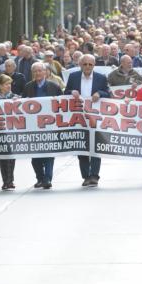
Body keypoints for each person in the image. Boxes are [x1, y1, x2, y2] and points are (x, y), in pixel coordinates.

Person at [64, 54, 111, 187]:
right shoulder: (73, 77)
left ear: (94, 65)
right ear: (80, 65)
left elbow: (107, 93)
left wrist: (99, 94)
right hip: (78, 117)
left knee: (96, 146)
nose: (87, 67)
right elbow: (66, 92)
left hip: (95, 118)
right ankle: (86, 175)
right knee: (82, 147)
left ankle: (95, 175)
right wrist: (71, 92)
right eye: (85, 64)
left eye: (90, 64)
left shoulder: (100, 78)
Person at [23, 62, 61, 189]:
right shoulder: (28, 86)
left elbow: (62, 105)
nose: (38, 73)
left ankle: (47, 179)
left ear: (45, 72)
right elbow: (21, 105)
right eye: (35, 71)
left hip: (50, 125)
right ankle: (39, 178)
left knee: (49, 153)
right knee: (35, 156)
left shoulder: (54, 86)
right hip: (33, 126)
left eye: (40, 71)